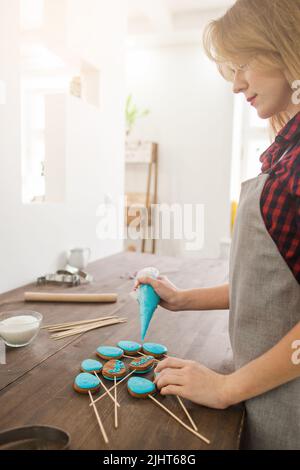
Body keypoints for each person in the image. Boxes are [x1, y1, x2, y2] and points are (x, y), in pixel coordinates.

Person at [136, 0, 300, 450]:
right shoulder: (284, 153)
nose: (236, 84)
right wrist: (183, 299)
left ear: (285, 48)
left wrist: (225, 388)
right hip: (262, 394)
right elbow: (274, 287)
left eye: (244, 63)